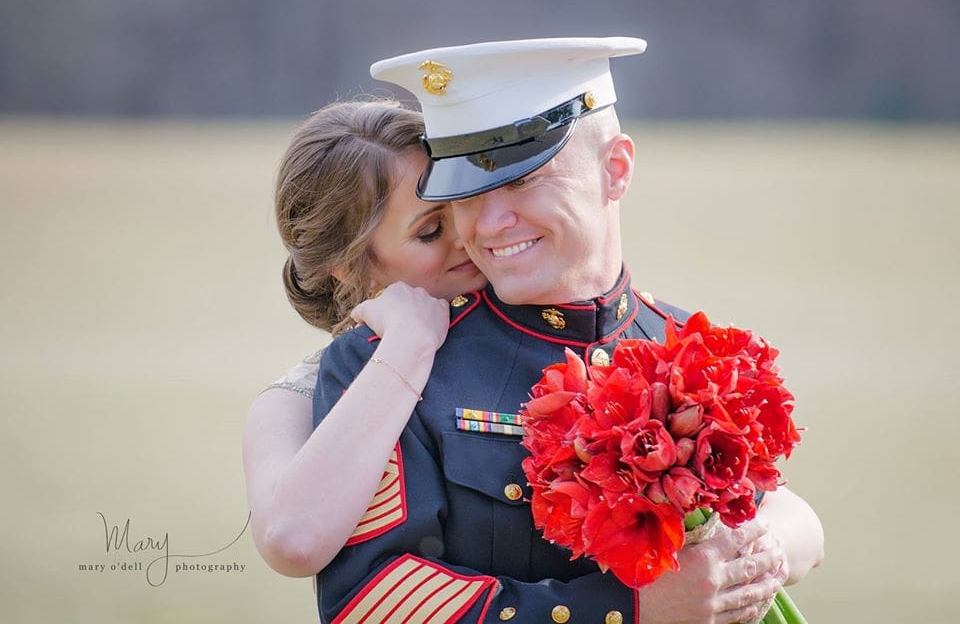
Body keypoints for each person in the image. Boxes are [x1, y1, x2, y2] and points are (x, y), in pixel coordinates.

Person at [310, 37, 823, 623]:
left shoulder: (697, 352)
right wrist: (621, 612)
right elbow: (369, 602)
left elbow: (775, 523)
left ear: (616, 168)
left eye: (524, 180)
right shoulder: (386, 364)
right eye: (467, 193)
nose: (491, 223)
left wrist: (759, 558)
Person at [242, 99, 486, 577]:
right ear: (351, 265)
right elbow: (293, 540)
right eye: (431, 229)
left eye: (465, 204)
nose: (468, 236)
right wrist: (407, 345)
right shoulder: (292, 401)